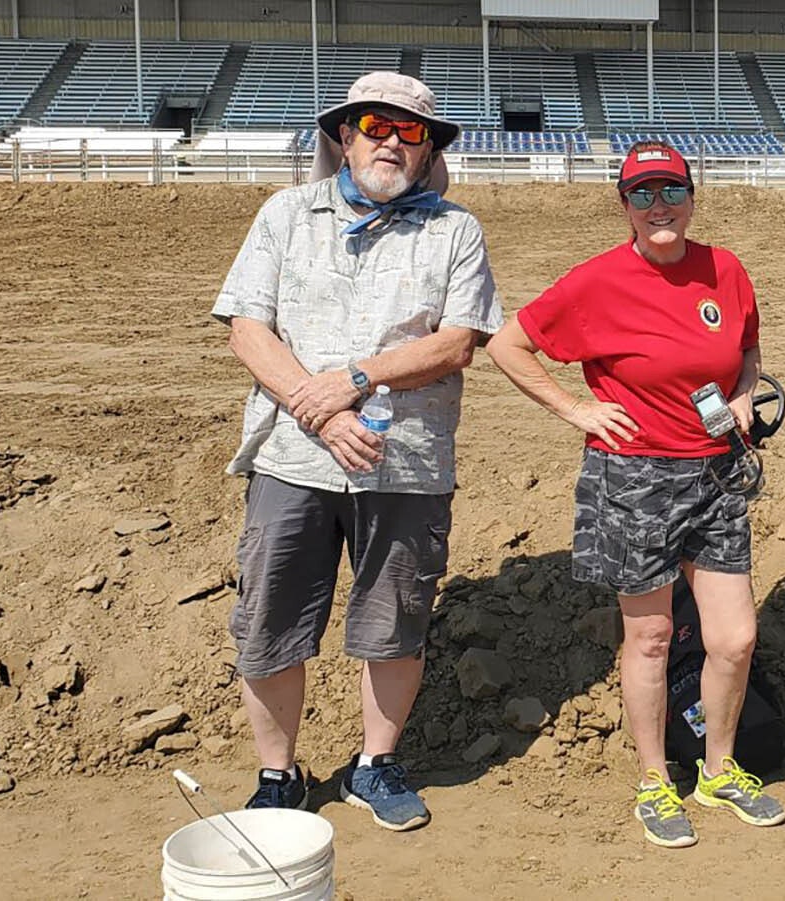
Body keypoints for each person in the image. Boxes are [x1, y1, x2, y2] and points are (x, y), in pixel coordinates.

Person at [211, 72, 502, 830]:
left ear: (429, 147)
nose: (392, 141)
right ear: (345, 134)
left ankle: (376, 762)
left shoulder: (455, 231)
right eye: (377, 124)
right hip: (293, 459)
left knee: (395, 620)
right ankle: (278, 774)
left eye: (412, 132)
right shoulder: (284, 214)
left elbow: (459, 340)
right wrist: (319, 408)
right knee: (272, 618)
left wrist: (354, 378)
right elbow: (249, 327)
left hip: (405, 463)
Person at [486, 141, 785, 849]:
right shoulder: (597, 281)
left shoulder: (725, 269)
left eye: (671, 191)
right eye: (643, 194)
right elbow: (507, 345)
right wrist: (576, 410)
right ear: (623, 205)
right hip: (635, 476)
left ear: (691, 195)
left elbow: (745, 347)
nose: (660, 207)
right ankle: (655, 779)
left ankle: (717, 769)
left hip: (716, 473)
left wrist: (742, 395)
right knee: (650, 637)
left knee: (735, 638)